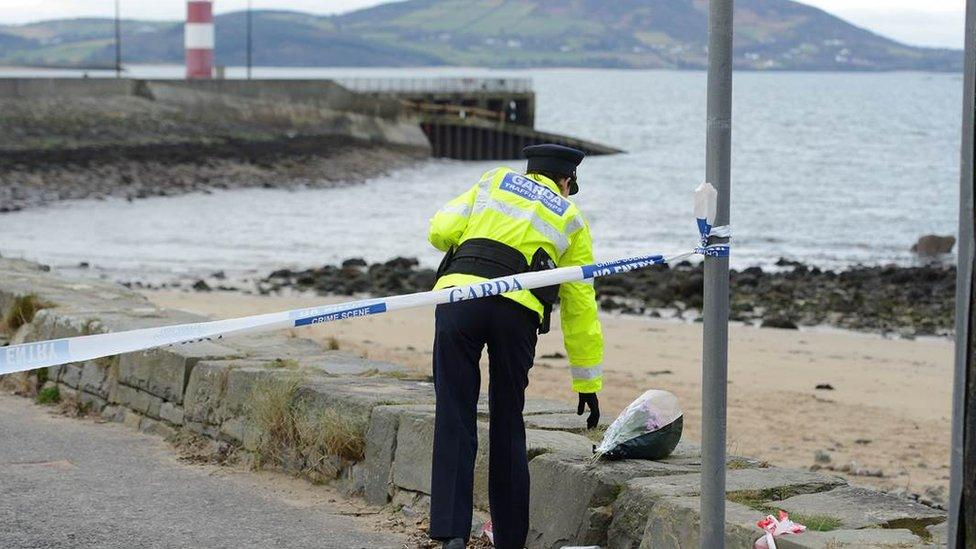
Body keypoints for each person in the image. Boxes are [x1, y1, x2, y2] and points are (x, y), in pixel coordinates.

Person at [426, 144, 604, 549]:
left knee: (454, 412)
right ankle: (509, 540)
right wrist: (586, 379)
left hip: (459, 300)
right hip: (516, 313)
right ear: (566, 181)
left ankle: (452, 535)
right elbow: (579, 304)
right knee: (508, 421)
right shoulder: (571, 217)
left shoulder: (494, 181)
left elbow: (439, 230)